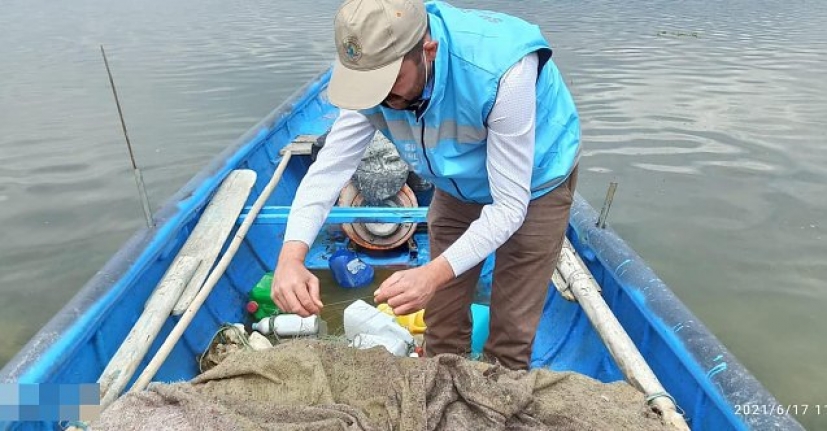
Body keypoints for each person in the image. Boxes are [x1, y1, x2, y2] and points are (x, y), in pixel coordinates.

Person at [271, 0, 580, 371]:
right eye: (370, 90)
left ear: (427, 51)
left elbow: (510, 207)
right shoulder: (372, 80)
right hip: (453, 184)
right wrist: (290, 259)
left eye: (389, 87)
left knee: (511, 331)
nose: (383, 103)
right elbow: (327, 173)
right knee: (442, 322)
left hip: (534, 186)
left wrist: (433, 273)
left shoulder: (502, 72)